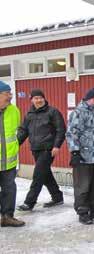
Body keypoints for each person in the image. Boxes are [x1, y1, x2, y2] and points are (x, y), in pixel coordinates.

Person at [66, 88, 94, 225]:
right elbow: (72, 133)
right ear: (91, 98)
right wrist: (75, 152)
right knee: (83, 186)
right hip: (84, 156)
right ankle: (83, 211)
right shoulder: (79, 113)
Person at [17, 89, 65, 211]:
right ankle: (57, 197)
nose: (38, 100)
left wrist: (56, 145)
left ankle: (29, 202)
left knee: (38, 175)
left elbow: (61, 129)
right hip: (35, 149)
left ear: (44, 98)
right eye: (35, 98)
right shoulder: (29, 114)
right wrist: (15, 145)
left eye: (40, 98)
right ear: (31, 100)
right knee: (45, 173)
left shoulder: (53, 112)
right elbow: (23, 131)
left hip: (48, 149)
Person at [0, 81, 25, 227]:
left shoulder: (14, 110)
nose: (10, 96)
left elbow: (19, 130)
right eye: (6, 93)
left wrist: (16, 145)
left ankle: (7, 216)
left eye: (10, 93)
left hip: (8, 160)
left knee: (9, 189)